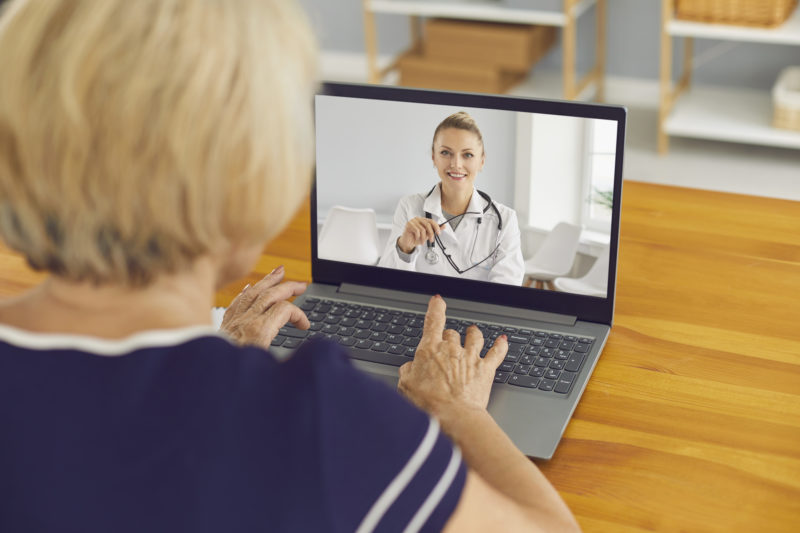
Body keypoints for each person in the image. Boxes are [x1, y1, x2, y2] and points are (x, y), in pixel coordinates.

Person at [0, 0, 578, 532]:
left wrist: (226, 358)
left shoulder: (503, 218)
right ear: (252, 176)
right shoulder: (326, 420)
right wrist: (459, 410)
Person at [378, 112, 525, 285]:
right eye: (446, 152)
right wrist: (405, 248)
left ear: (482, 161)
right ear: (434, 157)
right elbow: (386, 284)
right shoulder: (409, 206)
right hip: (422, 310)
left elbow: (507, 293)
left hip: (474, 312)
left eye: (467, 155)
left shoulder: (505, 220)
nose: (456, 164)